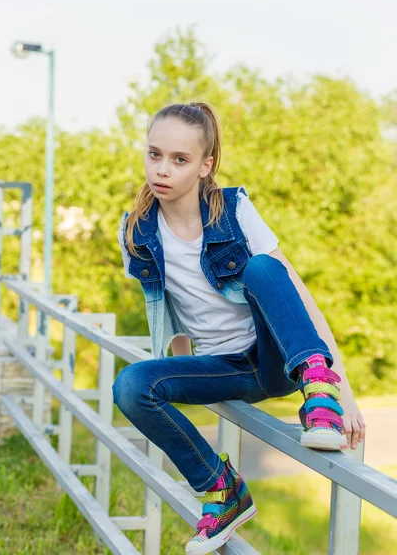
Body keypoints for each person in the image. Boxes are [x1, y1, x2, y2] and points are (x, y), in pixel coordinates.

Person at [112, 102, 366, 555]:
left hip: (273, 357)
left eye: (180, 159)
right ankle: (222, 490)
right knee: (131, 385)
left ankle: (318, 394)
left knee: (264, 268)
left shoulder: (234, 210)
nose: (162, 169)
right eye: (155, 154)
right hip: (221, 367)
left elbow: (299, 298)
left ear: (206, 166)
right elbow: (170, 315)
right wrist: (177, 375)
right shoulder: (136, 232)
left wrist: (343, 393)